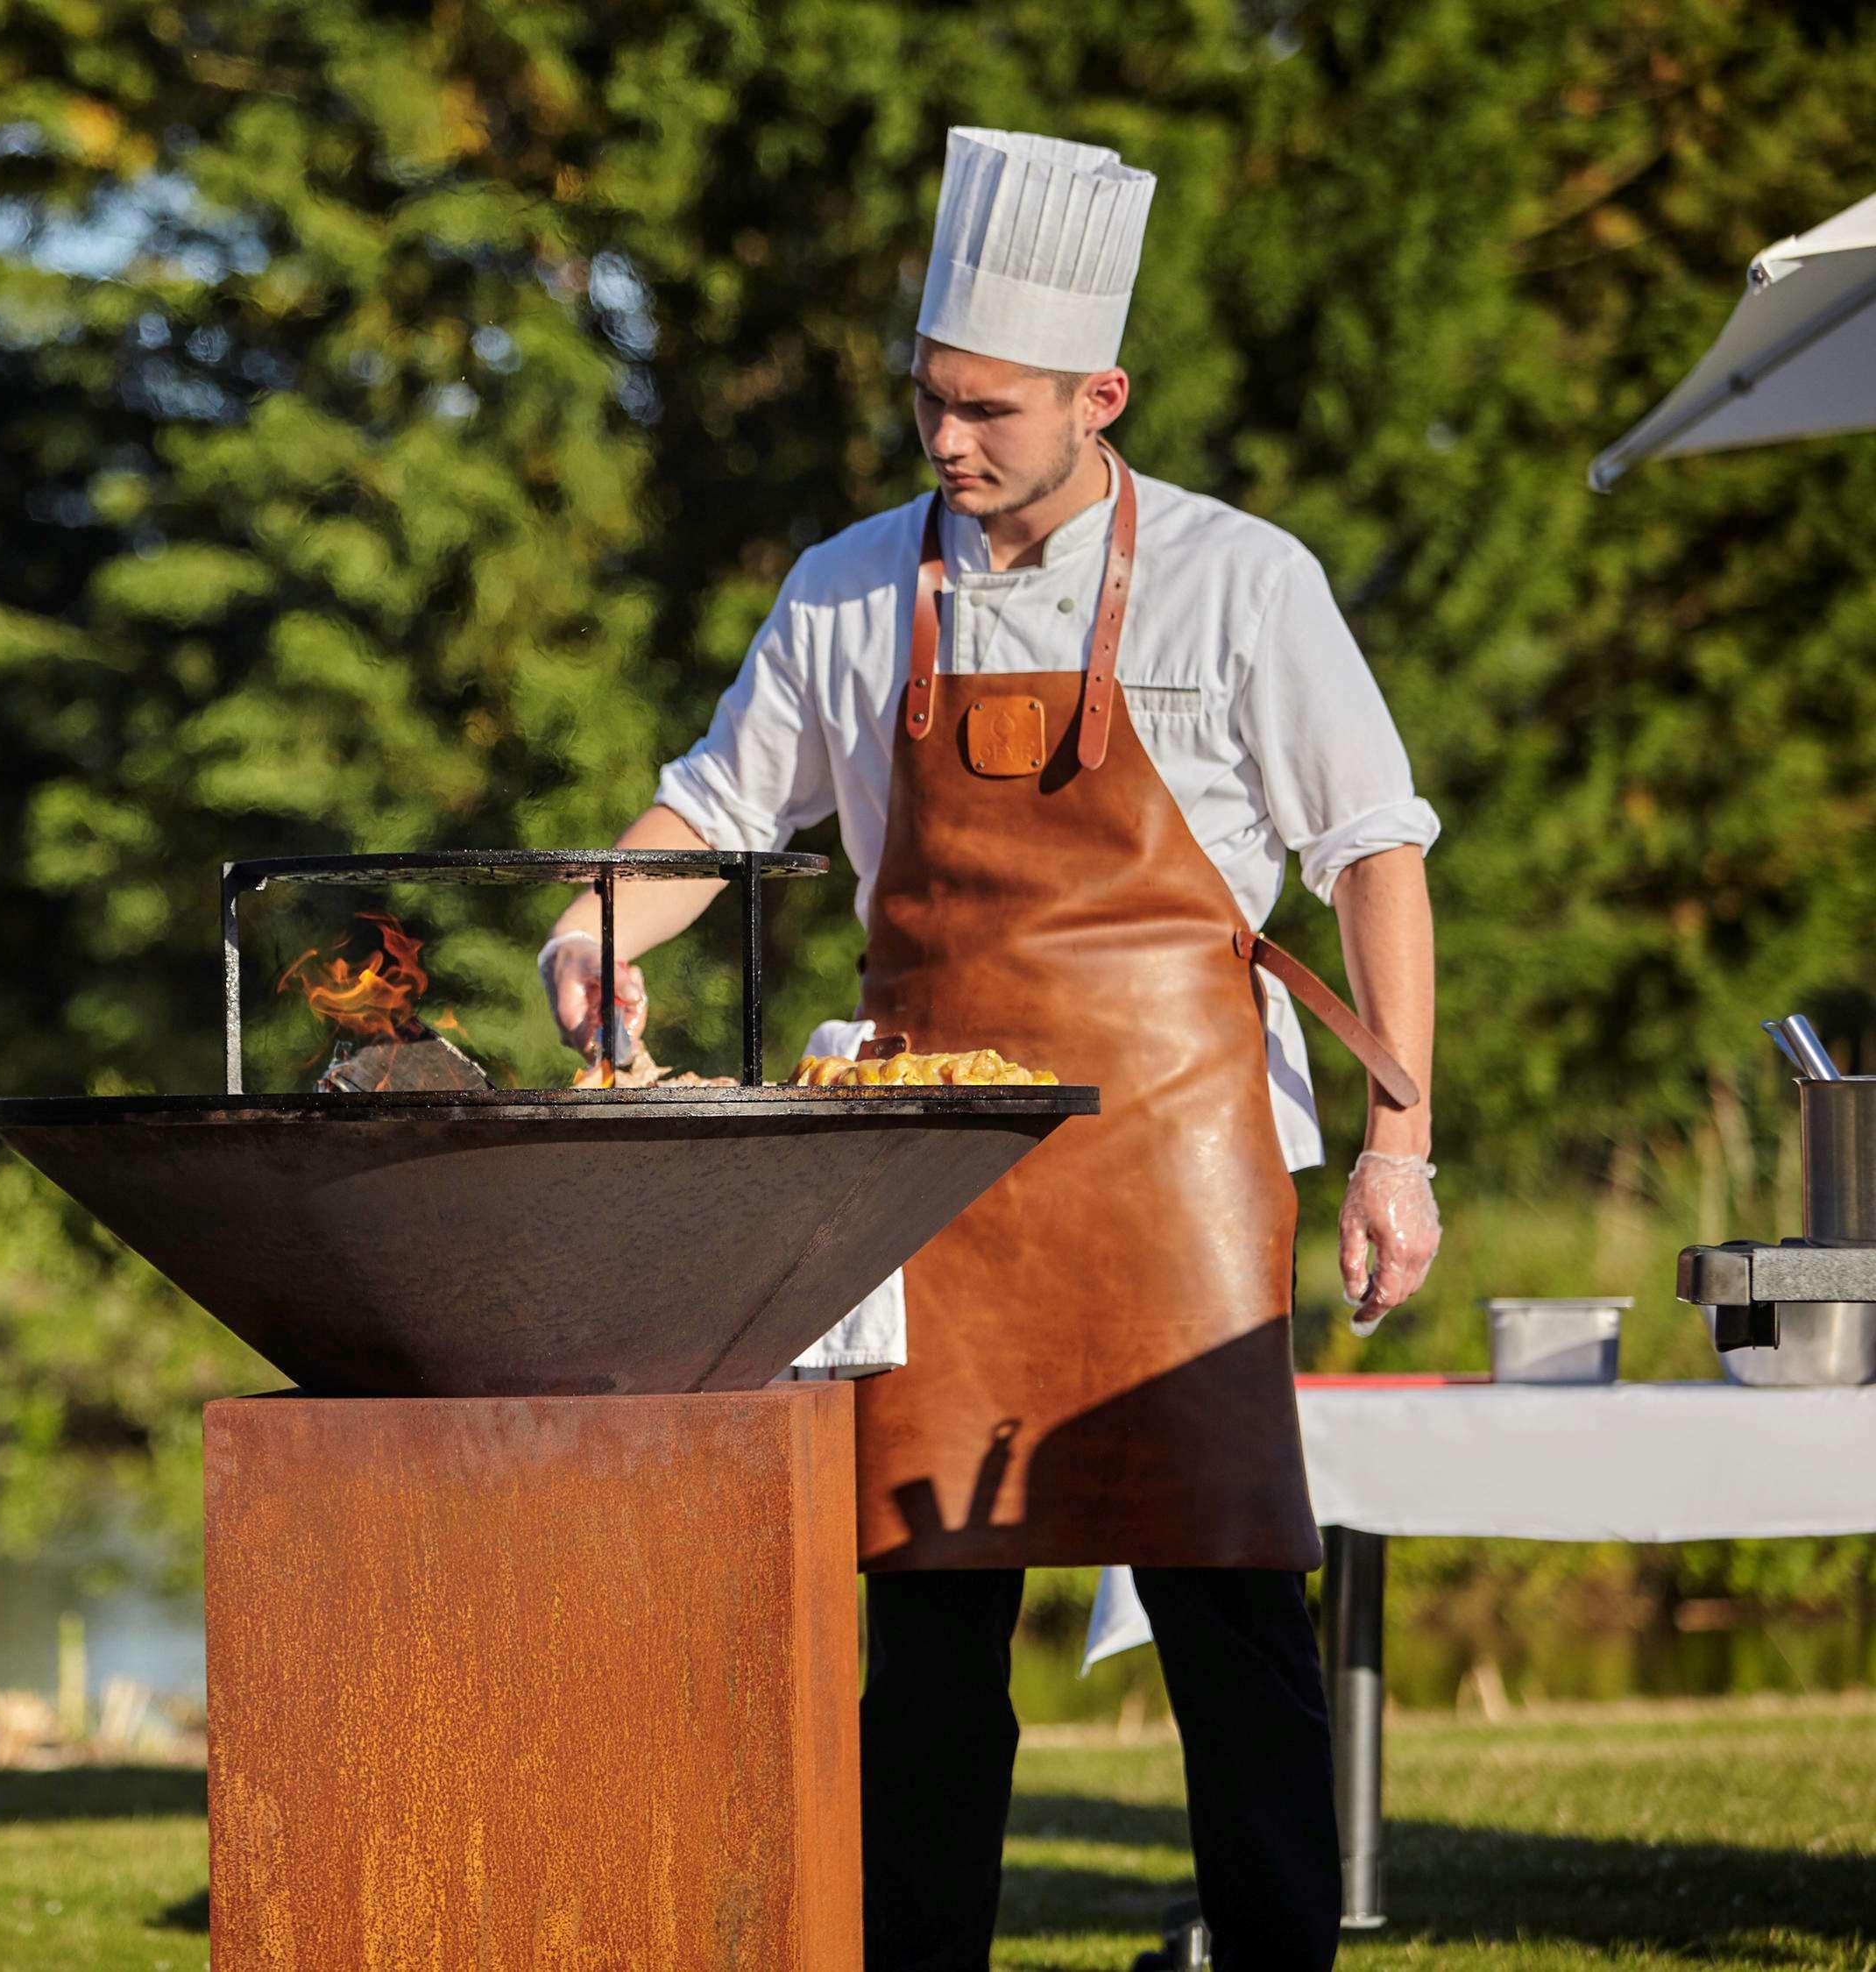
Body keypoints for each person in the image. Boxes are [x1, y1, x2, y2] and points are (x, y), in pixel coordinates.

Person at [539, 128, 1442, 1969]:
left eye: (993, 412)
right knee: (930, 1638)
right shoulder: (854, 586)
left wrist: (1396, 1143)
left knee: (1230, 1608)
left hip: (1179, 1167)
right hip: (920, 1170)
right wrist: (592, 926)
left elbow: (1374, 857)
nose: (950, 444)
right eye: (932, 406)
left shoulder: (1242, 581)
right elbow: (716, 814)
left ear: (1099, 395)